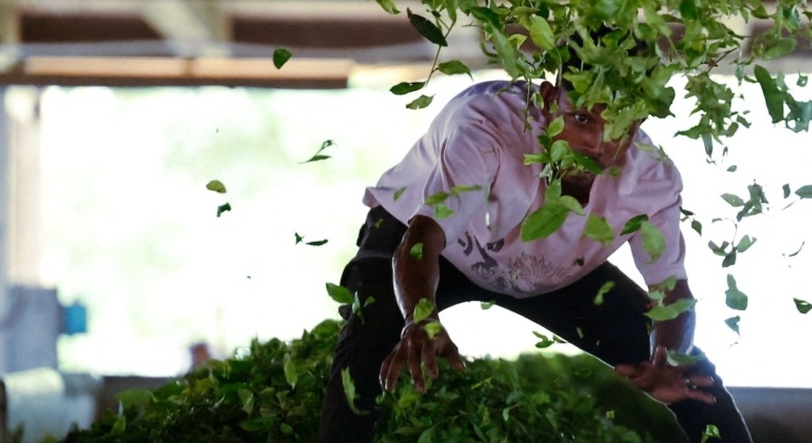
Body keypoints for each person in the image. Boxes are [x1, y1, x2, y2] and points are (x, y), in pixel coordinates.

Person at [318, 77, 752, 443]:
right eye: (582, 118)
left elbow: (671, 289)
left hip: (549, 266)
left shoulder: (651, 181)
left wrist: (668, 358)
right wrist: (419, 319)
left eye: (619, 126)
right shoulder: (488, 126)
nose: (596, 143)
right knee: (366, 350)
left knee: (695, 379)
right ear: (547, 101)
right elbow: (424, 236)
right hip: (427, 241)